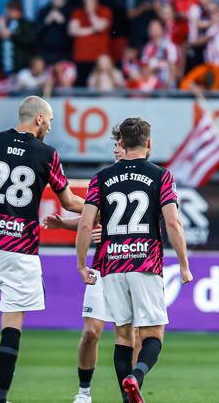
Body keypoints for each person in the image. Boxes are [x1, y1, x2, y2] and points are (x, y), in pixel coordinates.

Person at [0, 96, 84, 403]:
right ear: (38, 119)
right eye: (49, 121)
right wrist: (98, 207)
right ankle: (0, 399)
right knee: (12, 323)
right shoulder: (47, 154)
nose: (50, 127)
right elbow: (68, 202)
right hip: (21, 249)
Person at [76, 116, 193, 403]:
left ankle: (128, 398)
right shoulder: (161, 175)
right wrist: (184, 264)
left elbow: (85, 225)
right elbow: (173, 224)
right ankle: (136, 377)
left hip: (112, 265)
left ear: (122, 143)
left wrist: (81, 264)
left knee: (123, 337)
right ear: (148, 143)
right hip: (145, 262)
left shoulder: (101, 177)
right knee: (153, 335)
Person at [43, 126, 140, 403]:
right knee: (91, 331)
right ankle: (84, 393)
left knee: (130, 335)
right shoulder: (106, 178)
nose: (115, 149)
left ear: (129, 146)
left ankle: (131, 391)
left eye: (119, 145)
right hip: (102, 267)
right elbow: (91, 218)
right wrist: (63, 224)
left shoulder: (147, 178)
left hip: (132, 265)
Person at [69, 0, 113, 87]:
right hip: (81, 57)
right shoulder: (77, 12)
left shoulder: (105, 11)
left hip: (99, 57)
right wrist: (92, 30)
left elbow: (100, 26)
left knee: (99, 84)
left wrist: (91, 13)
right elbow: (72, 30)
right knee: (81, 86)